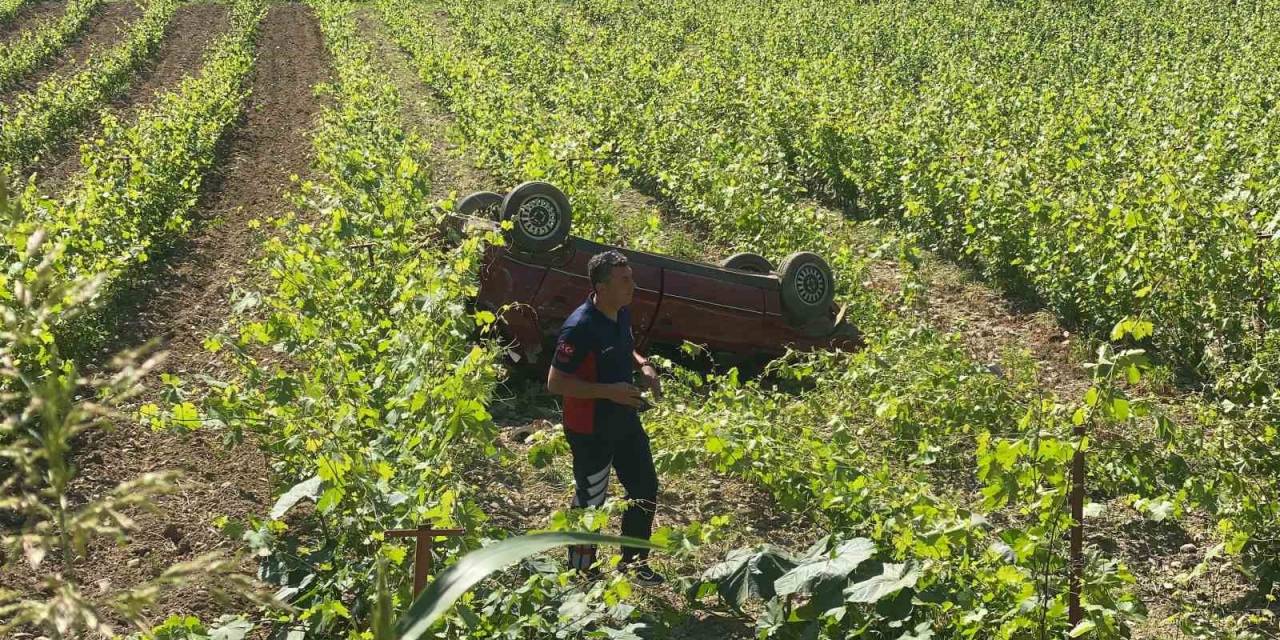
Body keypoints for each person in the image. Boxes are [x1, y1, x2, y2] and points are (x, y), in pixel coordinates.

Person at [546, 249, 665, 586]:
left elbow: (624, 347)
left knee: (644, 487)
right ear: (601, 286)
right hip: (589, 427)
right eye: (624, 280)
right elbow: (555, 383)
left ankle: (633, 563)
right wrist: (608, 391)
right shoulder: (579, 327)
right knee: (592, 497)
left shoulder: (620, 313)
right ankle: (579, 573)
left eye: (632, 278)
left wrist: (642, 364)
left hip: (624, 418)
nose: (633, 285)